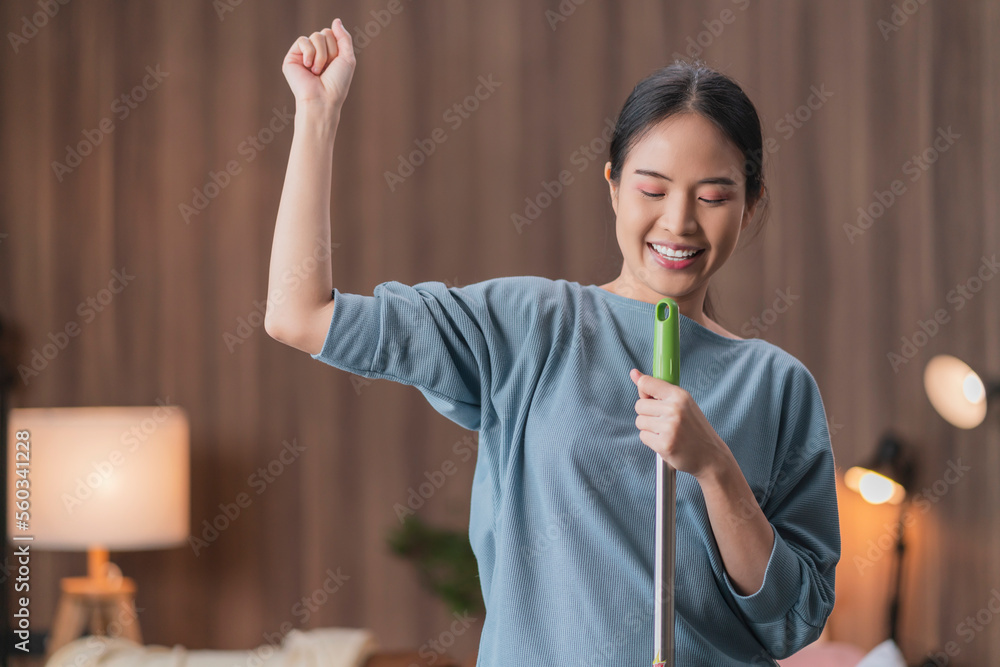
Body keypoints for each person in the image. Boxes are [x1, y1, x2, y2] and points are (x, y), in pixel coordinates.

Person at [265, 18, 841, 667]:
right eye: (652, 189)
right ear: (613, 186)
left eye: (712, 196)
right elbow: (301, 315)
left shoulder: (778, 384)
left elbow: (796, 620)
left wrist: (716, 468)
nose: (678, 221)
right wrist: (316, 113)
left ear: (752, 203)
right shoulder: (529, 324)